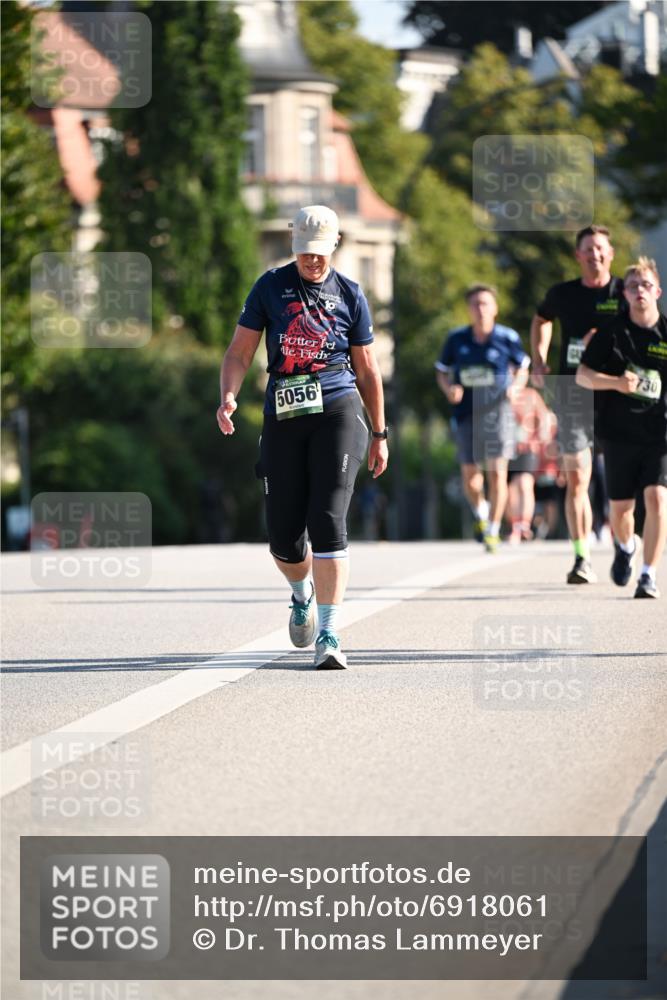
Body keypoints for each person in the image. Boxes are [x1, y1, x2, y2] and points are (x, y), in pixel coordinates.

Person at [216, 205, 388, 667]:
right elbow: (239, 351)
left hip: (338, 407)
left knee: (329, 516)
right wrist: (228, 396)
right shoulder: (270, 287)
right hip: (284, 412)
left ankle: (330, 635)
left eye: (318, 253)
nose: (311, 261)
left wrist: (380, 432)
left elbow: (368, 370)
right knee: (285, 536)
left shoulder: (350, 294)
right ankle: (301, 592)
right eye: (303, 252)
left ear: (334, 245)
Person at [530, 224, 624, 584]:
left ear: (610, 254)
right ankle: (582, 557)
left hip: (617, 395)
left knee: (621, 481)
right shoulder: (563, 294)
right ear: (578, 255)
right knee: (578, 478)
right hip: (573, 393)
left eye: (601, 248)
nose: (595, 255)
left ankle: (623, 544)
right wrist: (538, 357)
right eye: (588, 249)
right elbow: (541, 319)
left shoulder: (625, 292)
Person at [576, 257, 667, 598]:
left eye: (645, 285)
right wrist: (616, 383)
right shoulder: (612, 333)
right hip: (618, 433)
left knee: (658, 499)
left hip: (659, 433)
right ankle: (626, 547)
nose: (640, 291)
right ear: (625, 294)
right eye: (632, 286)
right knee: (621, 510)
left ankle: (648, 574)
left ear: (657, 290)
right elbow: (583, 376)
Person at [435, 284, 529, 552]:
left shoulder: (507, 337)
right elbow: (442, 371)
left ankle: (493, 529)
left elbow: (523, 366)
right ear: (469, 309)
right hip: (466, 413)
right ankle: (482, 511)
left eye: (485, 303)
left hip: (498, 412)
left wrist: (516, 386)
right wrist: (449, 388)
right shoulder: (456, 339)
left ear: (495, 308)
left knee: (498, 473)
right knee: (471, 476)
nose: (480, 309)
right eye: (475, 304)